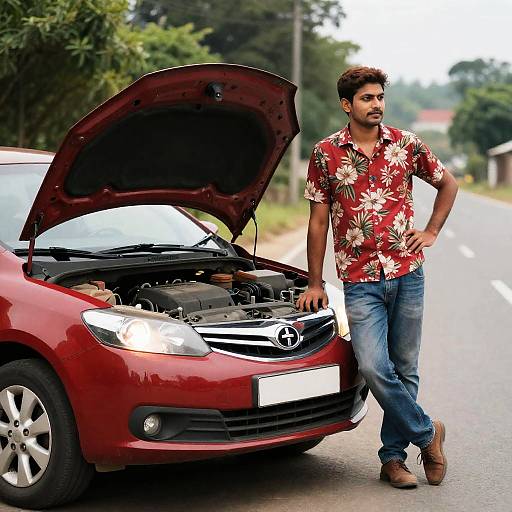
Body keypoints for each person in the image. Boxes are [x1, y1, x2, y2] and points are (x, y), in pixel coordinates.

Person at [296, 66, 458, 488]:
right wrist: (315, 282)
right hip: (360, 278)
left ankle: (393, 459)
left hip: (407, 272)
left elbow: (448, 184)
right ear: (346, 105)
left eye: (380, 97)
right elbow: (317, 222)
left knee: (405, 367)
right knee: (372, 365)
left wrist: (432, 231)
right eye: (367, 98)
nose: (377, 105)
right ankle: (428, 433)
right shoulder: (325, 153)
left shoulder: (406, 144)